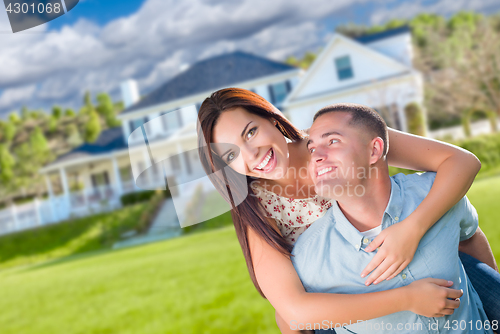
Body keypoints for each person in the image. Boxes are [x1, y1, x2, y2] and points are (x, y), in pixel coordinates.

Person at [196, 88, 493, 332]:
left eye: (250, 133)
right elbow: (294, 311)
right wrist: (407, 299)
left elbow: (461, 162)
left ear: (271, 120)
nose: (251, 154)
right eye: (230, 154)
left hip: (423, 260)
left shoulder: (336, 138)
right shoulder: (257, 211)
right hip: (353, 301)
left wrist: (412, 228)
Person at [291, 103, 495, 333]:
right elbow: (294, 319)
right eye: (311, 149)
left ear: (374, 151)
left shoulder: (436, 193)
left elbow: (469, 237)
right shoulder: (308, 259)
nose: (316, 156)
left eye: (332, 141)